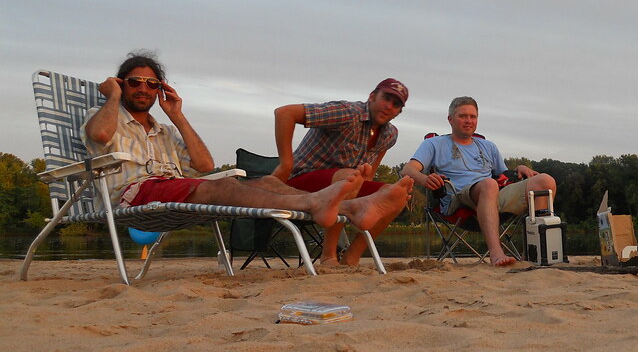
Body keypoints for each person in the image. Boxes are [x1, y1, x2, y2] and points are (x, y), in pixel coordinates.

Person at [81, 52, 412, 236]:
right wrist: (113, 96)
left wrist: (177, 116)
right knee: (222, 186)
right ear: (121, 84)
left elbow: (204, 165)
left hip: (172, 189)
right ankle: (316, 203)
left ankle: (349, 208)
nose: (144, 88)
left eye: (152, 84)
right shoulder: (104, 117)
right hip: (134, 194)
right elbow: (99, 136)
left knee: (268, 181)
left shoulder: (164, 130)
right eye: (135, 82)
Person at [401, 96, 556, 266]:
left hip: (493, 195)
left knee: (545, 181)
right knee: (489, 184)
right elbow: (407, 170)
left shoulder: (488, 146)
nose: (469, 120)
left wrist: (519, 168)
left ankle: (538, 252)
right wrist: (425, 179)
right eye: (463, 116)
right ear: (450, 119)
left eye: (473, 116)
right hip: (458, 199)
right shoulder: (434, 144)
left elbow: (504, 175)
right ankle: (496, 253)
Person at [271, 78, 409, 267]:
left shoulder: (390, 134)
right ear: (372, 96)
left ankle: (352, 256)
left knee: (398, 194)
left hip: (344, 185)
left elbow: (370, 171)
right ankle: (328, 256)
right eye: (386, 98)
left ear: (399, 112)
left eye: (396, 104)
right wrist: (286, 164)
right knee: (350, 177)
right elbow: (284, 113)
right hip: (299, 182)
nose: (389, 106)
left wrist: (370, 183)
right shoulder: (347, 113)